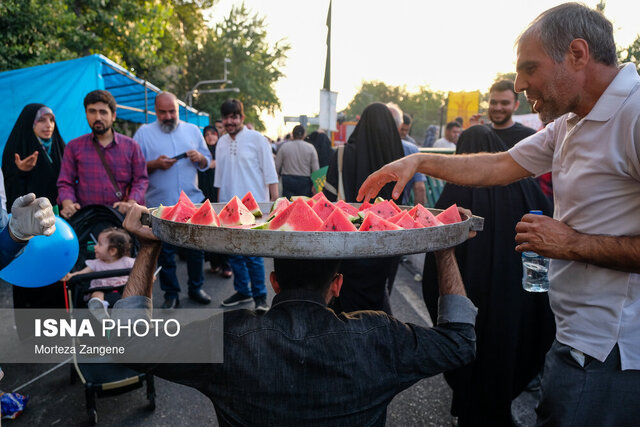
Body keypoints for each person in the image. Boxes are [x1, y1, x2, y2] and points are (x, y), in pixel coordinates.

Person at [358, 4, 640, 425]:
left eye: (530, 69)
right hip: (576, 337)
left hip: (611, 349)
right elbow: (497, 165)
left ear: (578, 55)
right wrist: (420, 163)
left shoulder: (633, 115)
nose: (521, 83)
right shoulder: (570, 123)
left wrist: (571, 244)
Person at [111, 202, 477, 426]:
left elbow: (128, 344)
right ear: (338, 285)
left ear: (273, 282)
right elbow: (461, 341)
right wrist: (445, 248)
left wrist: (147, 250)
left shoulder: (227, 337)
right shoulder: (380, 336)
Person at [422, 125, 555, 426]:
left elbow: (436, 249)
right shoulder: (528, 188)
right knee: (506, 356)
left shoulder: (457, 191)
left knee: (470, 357)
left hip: (468, 299)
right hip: (515, 300)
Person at [323, 103, 405, 314]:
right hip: (387, 242)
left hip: (346, 243)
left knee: (343, 299)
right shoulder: (399, 155)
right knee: (379, 295)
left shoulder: (342, 154)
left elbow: (328, 200)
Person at [134, 92, 212, 308]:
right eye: (163, 112)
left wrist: (200, 158)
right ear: (155, 111)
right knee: (165, 253)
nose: (168, 116)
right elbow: (135, 167)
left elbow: (208, 161)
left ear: (178, 110)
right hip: (161, 203)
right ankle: (171, 294)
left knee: (196, 249)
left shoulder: (193, 130)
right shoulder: (143, 133)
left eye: (172, 111)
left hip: (192, 201)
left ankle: (196, 287)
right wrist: (154, 164)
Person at [2, 104, 67, 312]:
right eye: (41, 120)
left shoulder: (59, 146)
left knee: (55, 272)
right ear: (30, 123)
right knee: (29, 272)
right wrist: (20, 172)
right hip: (25, 227)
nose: (48, 125)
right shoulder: (16, 149)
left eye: (51, 120)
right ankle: (31, 330)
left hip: (56, 223)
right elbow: (8, 195)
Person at [215, 99, 279, 312]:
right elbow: (219, 177)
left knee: (252, 254)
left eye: (234, 117)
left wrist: (274, 205)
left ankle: (260, 297)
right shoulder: (221, 142)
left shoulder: (257, 139)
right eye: (226, 117)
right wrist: (217, 206)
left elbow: (270, 174)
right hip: (228, 206)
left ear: (242, 117)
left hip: (253, 207)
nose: (229, 121)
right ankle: (243, 291)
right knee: (233, 252)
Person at [57, 90, 148, 219]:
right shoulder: (73, 147)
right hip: (87, 219)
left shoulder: (131, 146)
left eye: (103, 112)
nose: (98, 117)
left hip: (122, 218)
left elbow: (141, 180)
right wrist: (68, 204)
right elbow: (65, 182)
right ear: (86, 114)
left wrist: (131, 203)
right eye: (92, 111)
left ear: (113, 116)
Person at [62, 227, 134, 320]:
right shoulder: (96, 263)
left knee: (127, 294)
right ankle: (100, 310)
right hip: (101, 290)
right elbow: (81, 273)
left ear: (112, 251)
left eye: (99, 244)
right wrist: (71, 276)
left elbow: (140, 270)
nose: (95, 247)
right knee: (96, 295)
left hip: (121, 290)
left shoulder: (127, 262)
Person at [198, 125, 232, 278]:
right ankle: (214, 262)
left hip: (220, 195)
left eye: (213, 134)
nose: (211, 137)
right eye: (207, 134)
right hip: (205, 195)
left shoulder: (224, 151)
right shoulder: (201, 153)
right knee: (208, 231)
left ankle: (226, 264)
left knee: (222, 231)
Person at [470, 79, 537, 146]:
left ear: (516, 105)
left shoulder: (529, 138)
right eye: (493, 102)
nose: (498, 108)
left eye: (505, 103)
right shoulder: (479, 133)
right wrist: (474, 134)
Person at [387, 104, 427, 206]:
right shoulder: (411, 149)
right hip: (399, 207)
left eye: (406, 130)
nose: (403, 133)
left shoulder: (354, 149)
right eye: (402, 129)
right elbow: (419, 188)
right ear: (399, 125)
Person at [275, 125, 319, 198]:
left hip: (288, 180)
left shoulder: (284, 147)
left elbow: (277, 166)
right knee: (303, 205)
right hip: (304, 181)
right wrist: (315, 185)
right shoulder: (310, 148)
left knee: (288, 205)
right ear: (304, 134)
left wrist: (276, 180)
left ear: (292, 134)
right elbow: (315, 169)